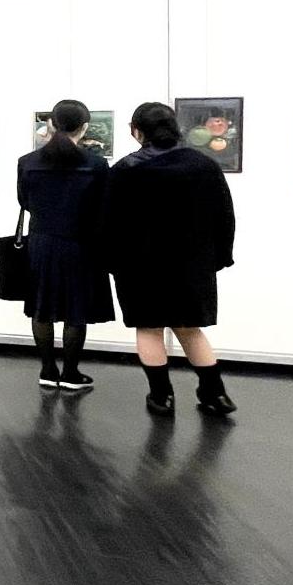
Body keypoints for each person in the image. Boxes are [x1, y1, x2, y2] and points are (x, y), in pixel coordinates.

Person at [105, 102, 238, 416]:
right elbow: (224, 216)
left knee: (149, 328)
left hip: (140, 266)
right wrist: (220, 257)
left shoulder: (125, 170)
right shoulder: (204, 165)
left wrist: (110, 262)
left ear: (137, 131)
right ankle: (215, 394)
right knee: (190, 328)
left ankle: (161, 396)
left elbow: (108, 222)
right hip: (192, 265)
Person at [16, 99, 114, 392]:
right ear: (84, 127)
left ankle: (47, 370)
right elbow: (103, 208)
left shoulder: (27, 162)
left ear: (51, 123)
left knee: (41, 308)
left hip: (41, 243)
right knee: (75, 310)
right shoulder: (96, 164)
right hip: (80, 244)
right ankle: (70, 373)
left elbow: (24, 201)